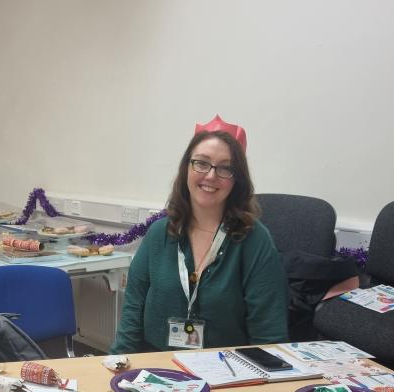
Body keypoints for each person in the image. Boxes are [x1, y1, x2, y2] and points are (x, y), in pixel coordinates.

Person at [111, 115, 288, 354]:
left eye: (225, 168)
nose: (211, 175)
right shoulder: (159, 234)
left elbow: (268, 334)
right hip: (155, 363)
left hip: (225, 368)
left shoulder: (254, 240)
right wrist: (118, 363)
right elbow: (133, 309)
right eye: (202, 163)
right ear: (187, 168)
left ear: (237, 179)